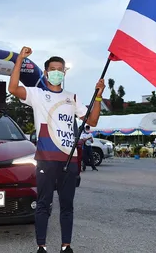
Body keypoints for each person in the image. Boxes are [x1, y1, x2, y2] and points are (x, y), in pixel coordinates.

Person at [8, 46, 105, 253]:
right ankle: (41, 246)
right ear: (45, 72)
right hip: (46, 158)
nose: (57, 72)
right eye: (53, 69)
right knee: (44, 204)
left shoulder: (73, 97)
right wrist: (19, 61)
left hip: (69, 159)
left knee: (67, 206)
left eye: (60, 69)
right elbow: (13, 88)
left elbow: (93, 120)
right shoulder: (37, 94)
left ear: (65, 73)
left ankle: (66, 246)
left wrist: (98, 96)